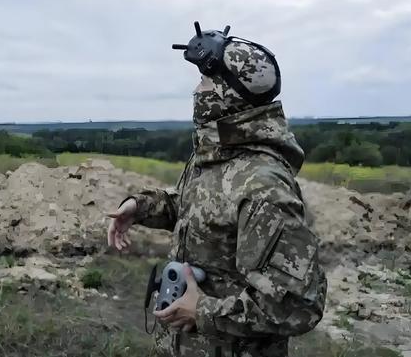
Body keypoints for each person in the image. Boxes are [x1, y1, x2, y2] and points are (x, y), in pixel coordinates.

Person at [107, 29, 327, 357]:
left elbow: (298, 303)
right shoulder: (216, 156)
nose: (197, 90)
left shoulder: (263, 185)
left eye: (205, 82)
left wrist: (204, 311)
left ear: (226, 94)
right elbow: (197, 206)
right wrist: (139, 207)